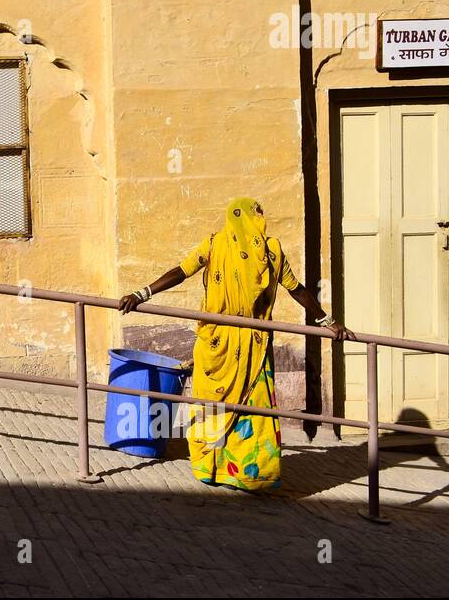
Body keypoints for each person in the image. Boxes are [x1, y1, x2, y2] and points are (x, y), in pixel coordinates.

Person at [118, 197, 353, 492]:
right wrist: (328, 321)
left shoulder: (215, 243)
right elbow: (298, 290)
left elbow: (181, 270)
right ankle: (251, 474)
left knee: (211, 404)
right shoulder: (272, 251)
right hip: (254, 344)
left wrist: (142, 293)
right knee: (253, 410)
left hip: (215, 343)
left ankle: (211, 468)